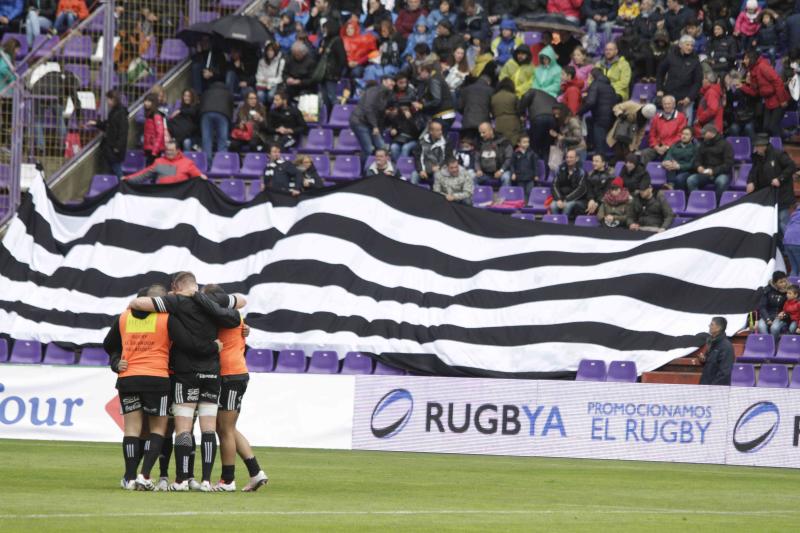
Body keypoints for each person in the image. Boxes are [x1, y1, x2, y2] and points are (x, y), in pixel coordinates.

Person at [128, 272, 244, 492]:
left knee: (182, 428)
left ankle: (181, 479)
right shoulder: (212, 300)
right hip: (212, 374)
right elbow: (240, 301)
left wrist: (172, 298)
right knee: (209, 430)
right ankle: (207, 481)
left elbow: (137, 302)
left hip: (186, 373)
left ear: (176, 286)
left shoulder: (177, 301)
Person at [105, 284, 217, 490]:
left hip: (128, 378)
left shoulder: (123, 317)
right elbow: (187, 343)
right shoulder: (166, 319)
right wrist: (213, 346)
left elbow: (108, 343)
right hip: (157, 378)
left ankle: (129, 478)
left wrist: (115, 362)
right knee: (159, 429)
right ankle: (145, 475)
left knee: (132, 430)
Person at [199, 285, 268, 493]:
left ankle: (228, 480)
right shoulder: (236, 315)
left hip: (229, 374)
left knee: (225, 429)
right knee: (226, 427)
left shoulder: (218, 317)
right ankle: (255, 472)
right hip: (235, 373)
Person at [746, 133, 797, 236]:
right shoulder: (756, 157)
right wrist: (750, 182)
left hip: (782, 194)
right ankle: (777, 248)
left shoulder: (778, 154)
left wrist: (780, 178)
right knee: (772, 225)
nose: (757, 148)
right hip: (767, 195)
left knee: (783, 222)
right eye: (756, 146)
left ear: (765, 145)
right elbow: (754, 171)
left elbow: (791, 167)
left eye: (759, 146)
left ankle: (789, 246)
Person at [739, 49, 790, 137]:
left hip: (778, 100)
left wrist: (782, 100)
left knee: (772, 127)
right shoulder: (751, 71)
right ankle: (784, 135)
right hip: (767, 102)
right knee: (766, 127)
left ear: (752, 59)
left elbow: (777, 82)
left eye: (746, 58)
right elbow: (755, 92)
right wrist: (742, 87)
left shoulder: (762, 67)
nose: (744, 61)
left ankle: (780, 143)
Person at [656, 35, 702, 125]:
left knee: (685, 127)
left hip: (685, 99)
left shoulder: (695, 61)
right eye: (687, 45)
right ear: (680, 45)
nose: (690, 47)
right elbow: (660, 73)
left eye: (692, 46)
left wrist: (689, 98)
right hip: (669, 96)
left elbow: (697, 82)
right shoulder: (670, 57)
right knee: (666, 125)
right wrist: (659, 89)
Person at [349, 75, 395, 161]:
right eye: (391, 80)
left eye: (394, 81)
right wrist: (375, 126)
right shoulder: (374, 90)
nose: (393, 83)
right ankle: (363, 172)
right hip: (360, 121)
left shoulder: (387, 95)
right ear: (384, 81)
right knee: (369, 149)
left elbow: (380, 113)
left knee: (382, 147)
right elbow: (368, 108)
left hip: (370, 123)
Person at [87, 90, 128, 180]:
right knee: (114, 168)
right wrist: (96, 123)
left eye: (108, 100)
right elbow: (108, 125)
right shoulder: (114, 112)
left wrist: (117, 147)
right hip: (111, 147)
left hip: (114, 148)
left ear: (114, 100)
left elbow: (122, 132)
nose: (107, 102)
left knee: (116, 169)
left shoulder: (120, 114)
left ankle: (124, 185)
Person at [124, 140, 207, 184]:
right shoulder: (159, 162)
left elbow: (198, 176)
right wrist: (128, 178)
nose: (169, 152)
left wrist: (201, 177)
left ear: (178, 150)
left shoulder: (187, 163)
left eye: (171, 150)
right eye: (167, 150)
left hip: (181, 198)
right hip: (162, 196)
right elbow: (144, 174)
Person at [686, 124, 733, 201]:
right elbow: (697, 160)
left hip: (721, 173)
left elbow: (729, 163)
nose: (702, 135)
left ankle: (716, 205)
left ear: (711, 133)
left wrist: (714, 171)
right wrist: (698, 167)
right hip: (705, 173)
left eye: (704, 133)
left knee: (722, 181)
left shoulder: (726, 144)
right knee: (691, 180)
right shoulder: (702, 145)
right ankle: (700, 202)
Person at [579, 68, 619, 155]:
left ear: (592, 77)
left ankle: (601, 161)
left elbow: (590, 103)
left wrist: (579, 112)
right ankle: (590, 146)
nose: (587, 80)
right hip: (611, 118)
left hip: (600, 119)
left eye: (588, 77)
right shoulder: (610, 87)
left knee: (600, 149)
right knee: (589, 120)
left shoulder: (595, 84)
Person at [639, 95, 686, 165]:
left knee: (672, 154)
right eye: (665, 104)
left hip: (672, 147)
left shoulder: (681, 117)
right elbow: (652, 135)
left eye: (669, 104)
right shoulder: (656, 117)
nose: (667, 106)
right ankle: (643, 174)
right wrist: (656, 146)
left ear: (674, 105)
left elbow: (680, 135)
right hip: (657, 146)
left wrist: (667, 146)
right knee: (645, 153)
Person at [414, 61, 456, 133]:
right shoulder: (437, 77)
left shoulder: (434, 80)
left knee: (438, 140)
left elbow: (436, 100)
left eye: (419, 73)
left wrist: (422, 106)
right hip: (446, 114)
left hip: (442, 115)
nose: (419, 76)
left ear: (425, 71)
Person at [200, 81, 234, 162]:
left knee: (206, 139)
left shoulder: (206, 92)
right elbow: (231, 108)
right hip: (222, 114)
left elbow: (201, 105)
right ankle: (221, 163)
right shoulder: (228, 93)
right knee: (222, 139)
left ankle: (207, 164)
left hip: (206, 114)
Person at [411, 119, 453, 185]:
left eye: (441, 130)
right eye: (438, 130)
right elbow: (418, 157)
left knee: (438, 175)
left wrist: (439, 167)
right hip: (426, 169)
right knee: (414, 174)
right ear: (431, 131)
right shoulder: (422, 141)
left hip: (439, 170)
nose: (441, 132)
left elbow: (448, 158)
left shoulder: (446, 142)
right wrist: (421, 170)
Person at [551, 148, 588, 218]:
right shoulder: (560, 169)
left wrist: (566, 199)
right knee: (553, 206)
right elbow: (554, 185)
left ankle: (563, 224)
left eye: (571, 157)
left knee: (567, 206)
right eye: (567, 157)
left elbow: (581, 189)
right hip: (561, 198)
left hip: (575, 199)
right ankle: (555, 223)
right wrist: (559, 199)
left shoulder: (581, 172)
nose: (568, 159)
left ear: (577, 159)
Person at [475, 122, 513, 187]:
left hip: (501, 171)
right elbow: (477, 160)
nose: (481, 135)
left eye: (483, 132)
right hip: (485, 173)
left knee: (506, 177)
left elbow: (509, 159)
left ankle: (504, 197)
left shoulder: (504, 142)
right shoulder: (480, 143)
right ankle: (479, 196)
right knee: (472, 178)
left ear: (491, 130)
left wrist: (501, 171)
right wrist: (478, 170)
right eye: (480, 133)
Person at [698, 317, 734, 386]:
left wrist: (712, 388)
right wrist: (704, 360)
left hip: (716, 390)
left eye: (712, 324)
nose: (709, 326)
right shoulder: (712, 342)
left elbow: (725, 373)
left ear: (718, 328)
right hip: (706, 385)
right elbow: (712, 363)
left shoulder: (726, 346)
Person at [457, 75, 493, 141]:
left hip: (468, 121)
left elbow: (459, 106)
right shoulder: (490, 90)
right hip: (483, 122)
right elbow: (492, 106)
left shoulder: (466, 89)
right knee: (481, 144)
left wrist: (466, 113)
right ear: (488, 82)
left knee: (469, 143)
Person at [757, 271, 790, 339]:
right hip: (768, 315)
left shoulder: (790, 291)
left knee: (774, 328)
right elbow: (762, 307)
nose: (784, 284)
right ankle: (768, 345)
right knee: (761, 326)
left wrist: (784, 314)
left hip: (781, 317)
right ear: (775, 283)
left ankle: (774, 344)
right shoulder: (767, 290)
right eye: (780, 282)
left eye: (784, 281)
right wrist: (767, 319)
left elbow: (792, 307)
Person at [693, 72, 724, 139]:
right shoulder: (712, 91)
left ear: (708, 80)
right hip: (712, 128)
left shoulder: (711, 92)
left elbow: (712, 109)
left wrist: (700, 119)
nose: (702, 80)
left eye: (704, 78)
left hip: (710, 129)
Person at [168, 89, 200, 153]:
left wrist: (180, 111)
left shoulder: (196, 106)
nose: (186, 98)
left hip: (193, 136)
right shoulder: (182, 107)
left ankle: (186, 160)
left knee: (186, 142)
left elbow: (193, 112)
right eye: (185, 96)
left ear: (192, 97)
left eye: (188, 96)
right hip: (182, 135)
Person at [255, 42, 287, 107]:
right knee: (260, 95)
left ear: (275, 51)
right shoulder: (262, 61)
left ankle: (271, 109)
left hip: (274, 84)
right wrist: (262, 79)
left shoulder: (281, 62)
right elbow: (258, 74)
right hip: (262, 84)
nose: (269, 52)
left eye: (271, 50)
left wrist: (269, 80)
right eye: (268, 50)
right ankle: (262, 110)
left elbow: (280, 78)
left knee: (271, 95)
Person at [142, 94, 166, 166]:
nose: (146, 103)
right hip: (149, 147)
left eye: (149, 101)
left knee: (152, 171)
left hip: (154, 149)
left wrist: (155, 150)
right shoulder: (148, 114)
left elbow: (160, 133)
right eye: (145, 100)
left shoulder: (156, 115)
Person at [783, 212, 800, 277]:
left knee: (794, 268)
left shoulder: (794, 214)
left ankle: (792, 285)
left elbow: (786, 227)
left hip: (787, 241)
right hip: (797, 242)